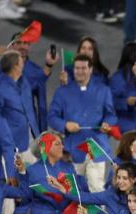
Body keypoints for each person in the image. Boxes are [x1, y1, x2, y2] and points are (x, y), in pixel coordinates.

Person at [50, 54, 117, 193]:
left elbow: (111, 115)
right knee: (74, 190)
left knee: (96, 188)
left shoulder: (103, 90)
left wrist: (107, 123)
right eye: (77, 68)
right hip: (73, 148)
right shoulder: (63, 91)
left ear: (91, 69)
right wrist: (65, 125)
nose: (80, 71)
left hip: (96, 145)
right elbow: (52, 117)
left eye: (83, 68)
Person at [23, 132, 88, 214]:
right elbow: (26, 198)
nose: (62, 147)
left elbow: (76, 193)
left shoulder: (69, 167)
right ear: (44, 147)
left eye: (62, 144)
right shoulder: (32, 170)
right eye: (57, 144)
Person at [0, 33, 56, 132]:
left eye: (25, 43)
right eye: (18, 43)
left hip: (28, 127)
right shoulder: (4, 66)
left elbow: (42, 107)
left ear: (29, 46)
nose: (22, 46)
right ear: (11, 46)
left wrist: (43, 134)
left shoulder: (36, 71)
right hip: (5, 126)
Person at [0, 50, 40, 158]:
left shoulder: (24, 83)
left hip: (32, 141)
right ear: (15, 66)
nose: (23, 64)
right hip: (13, 146)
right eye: (21, 62)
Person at [109, 43, 136, 133]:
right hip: (125, 129)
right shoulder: (119, 78)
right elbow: (110, 102)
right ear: (135, 56)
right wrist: (127, 102)